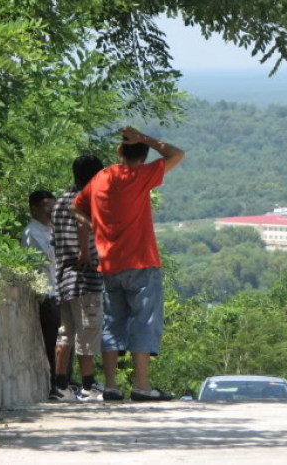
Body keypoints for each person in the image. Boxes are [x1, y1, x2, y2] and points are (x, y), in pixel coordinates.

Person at [72, 127, 185, 401]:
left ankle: (111, 386)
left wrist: (95, 226)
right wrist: (144, 138)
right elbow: (177, 154)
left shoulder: (101, 177)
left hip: (109, 263)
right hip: (141, 261)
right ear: (144, 156)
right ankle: (142, 386)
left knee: (112, 323)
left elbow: (76, 208)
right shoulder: (141, 175)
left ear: (119, 151)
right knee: (143, 321)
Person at [50, 155, 106, 402]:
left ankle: (60, 385)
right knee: (89, 330)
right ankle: (88, 385)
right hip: (84, 276)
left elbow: (56, 238)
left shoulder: (61, 200)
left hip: (63, 275)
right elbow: (83, 226)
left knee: (66, 332)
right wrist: (86, 252)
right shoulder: (85, 199)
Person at [20, 190, 59, 400]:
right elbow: (48, 259)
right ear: (34, 208)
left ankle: (64, 381)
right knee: (52, 341)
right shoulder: (31, 233)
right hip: (46, 292)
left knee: (63, 340)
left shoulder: (51, 230)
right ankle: (55, 384)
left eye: (54, 205)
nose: (51, 210)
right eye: (47, 206)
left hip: (58, 291)